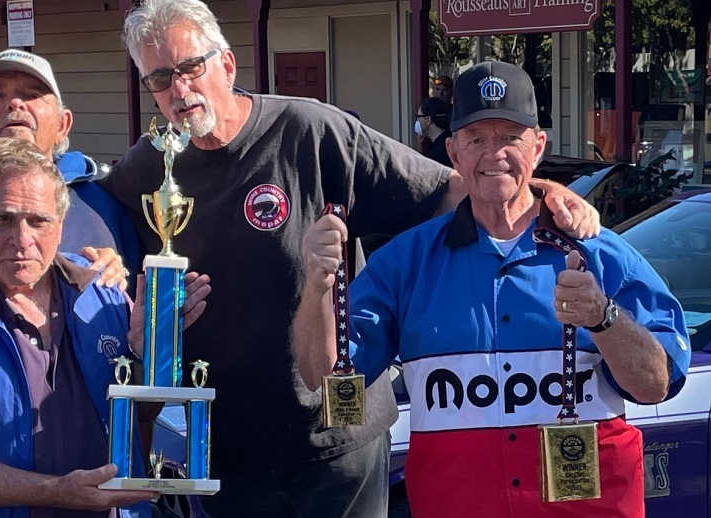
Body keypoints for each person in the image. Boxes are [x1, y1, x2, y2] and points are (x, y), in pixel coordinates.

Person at [101, 1, 601, 516]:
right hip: (232, 446)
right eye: (160, 77)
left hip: (339, 438)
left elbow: (450, 189)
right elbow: (83, 216)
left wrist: (542, 192)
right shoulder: (150, 166)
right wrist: (93, 259)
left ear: (226, 65)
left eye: (190, 68)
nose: (179, 90)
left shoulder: (312, 130)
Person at [293, 60, 690, 517]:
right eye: (477, 139)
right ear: (454, 154)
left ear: (537, 146)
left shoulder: (601, 253)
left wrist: (603, 317)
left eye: (510, 138)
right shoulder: (405, 264)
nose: (494, 154)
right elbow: (325, 381)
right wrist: (316, 290)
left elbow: (656, 385)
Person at [0, 137, 211, 517]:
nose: (22, 240)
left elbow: (143, 425)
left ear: (60, 224)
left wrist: (147, 352)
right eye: (2, 219)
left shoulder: (103, 294)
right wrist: (56, 491)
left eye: (38, 221)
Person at [0, 49, 142, 273]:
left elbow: (136, 296)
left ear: (62, 125)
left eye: (32, 94)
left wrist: (116, 279)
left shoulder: (106, 203)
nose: (14, 103)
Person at [416, 96, 453, 167]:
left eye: (418, 117)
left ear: (428, 120)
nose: (417, 121)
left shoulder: (438, 152)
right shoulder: (449, 139)